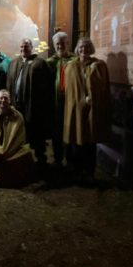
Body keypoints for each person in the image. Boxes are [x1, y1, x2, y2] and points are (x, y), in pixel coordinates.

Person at [63, 37, 111, 184]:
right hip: (75, 110)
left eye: (87, 47)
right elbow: (68, 90)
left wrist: (93, 98)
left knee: (91, 142)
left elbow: (103, 88)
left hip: (92, 111)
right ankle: (78, 172)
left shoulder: (99, 65)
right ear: (78, 49)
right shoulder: (70, 66)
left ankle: (89, 172)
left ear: (91, 49)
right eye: (81, 47)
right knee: (76, 142)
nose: (84, 50)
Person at [6, 38, 53, 167]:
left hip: (34, 107)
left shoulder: (40, 63)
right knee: (19, 135)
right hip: (17, 106)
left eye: (26, 46)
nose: (23, 49)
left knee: (36, 135)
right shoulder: (14, 63)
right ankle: (20, 161)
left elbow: (47, 87)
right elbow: (9, 84)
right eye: (21, 46)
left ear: (31, 47)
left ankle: (40, 161)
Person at [46, 32, 75, 166]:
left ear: (67, 44)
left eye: (62, 43)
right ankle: (58, 158)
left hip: (71, 101)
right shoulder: (50, 62)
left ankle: (70, 159)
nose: (60, 46)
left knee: (70, 130)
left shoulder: (75, 60)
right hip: (55, 102)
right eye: (57, 44)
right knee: (57, 131)